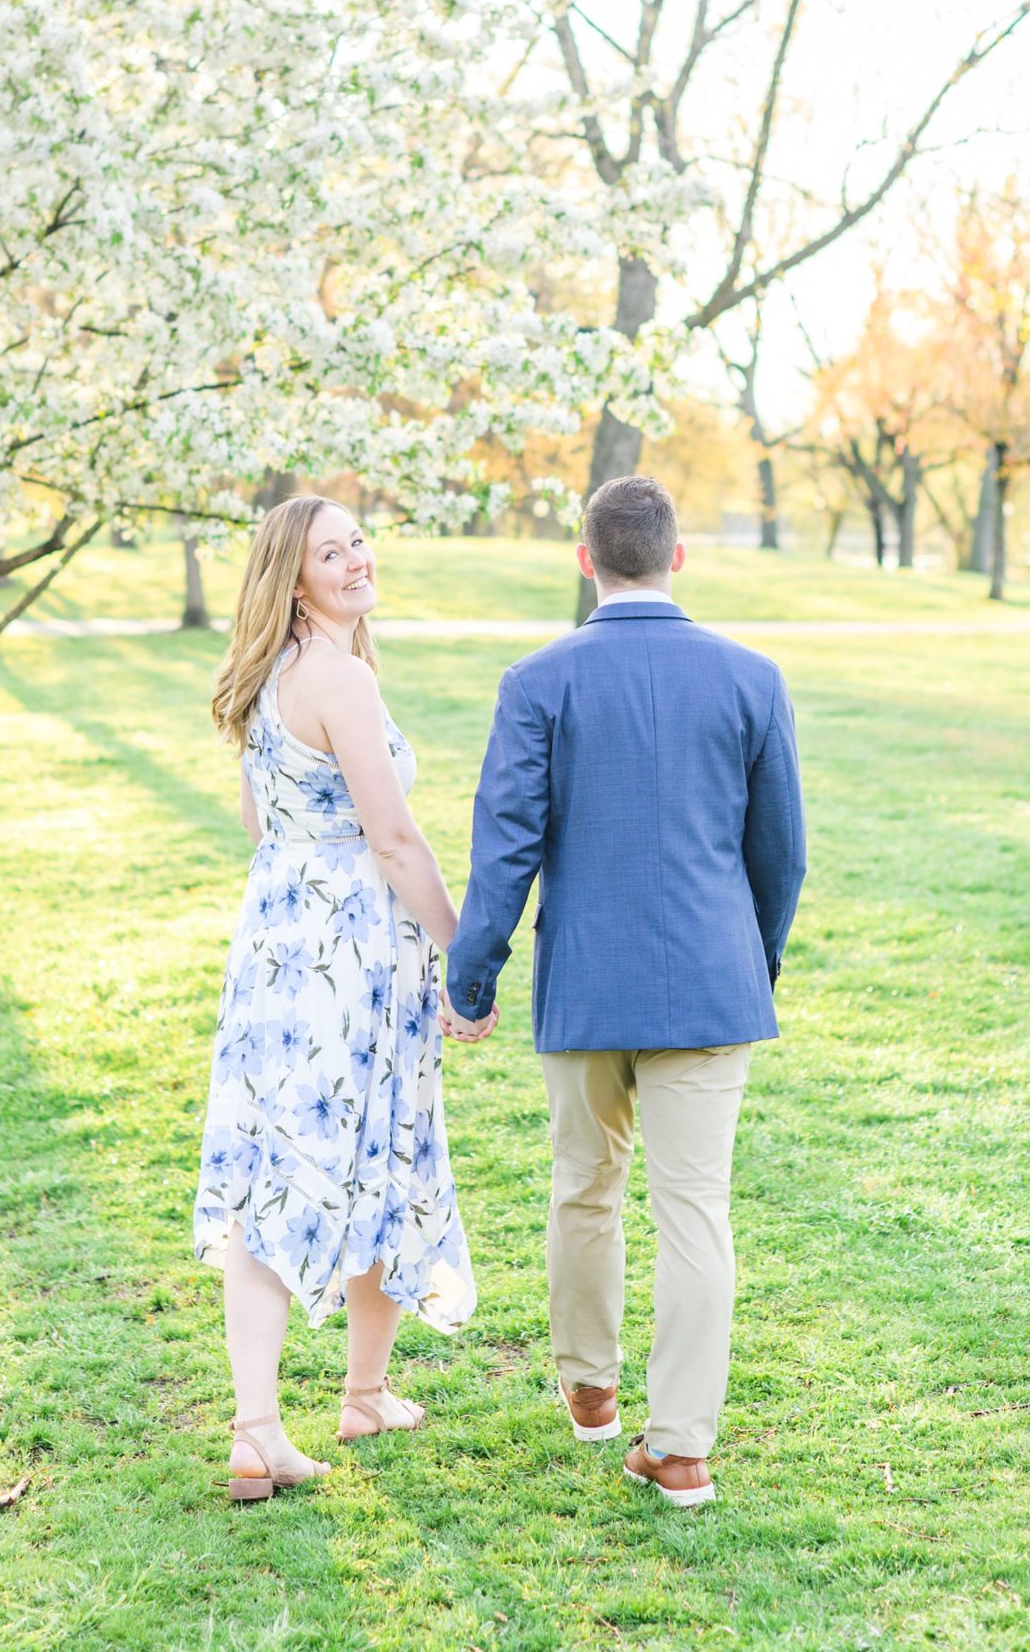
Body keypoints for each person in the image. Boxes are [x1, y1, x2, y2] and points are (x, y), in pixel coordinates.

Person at [443, 473, 805, 1509]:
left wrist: (473, 977)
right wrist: (756, 957)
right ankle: (680, 1445)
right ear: (676, 556)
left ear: (584, 559)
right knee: (694, 1208)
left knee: (581, 1185)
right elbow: (778, 854)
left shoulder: (538, 679)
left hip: (587, 983)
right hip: (709, 981)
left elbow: (502, 845)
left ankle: (590, 1389)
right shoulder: (750, 677)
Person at [196, 496, 481, 1504]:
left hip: (276, 938)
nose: (357, 558)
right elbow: (395, 839)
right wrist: (466, 951)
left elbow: (254, 815)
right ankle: (256, 1429)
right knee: (329, 1163)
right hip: (350, 951)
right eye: (332, 551)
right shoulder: (338, 677)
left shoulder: (265, 676)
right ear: (295, 576)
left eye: (358, 540)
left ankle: (360, 1393)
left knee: (327, 1154)